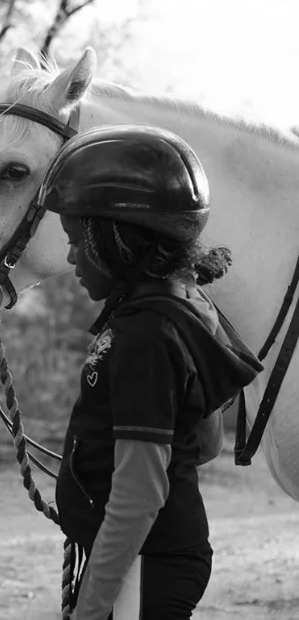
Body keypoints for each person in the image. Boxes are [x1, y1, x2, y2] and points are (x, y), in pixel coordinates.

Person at [38, 125, 262, 619]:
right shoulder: (176, 303)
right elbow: (202, 443)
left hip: (147, 562)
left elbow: (140, 492)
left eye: (78, 239)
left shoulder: (146, 334)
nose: (72, 256)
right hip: (146, 554)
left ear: (116, 240)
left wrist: (93, 606)